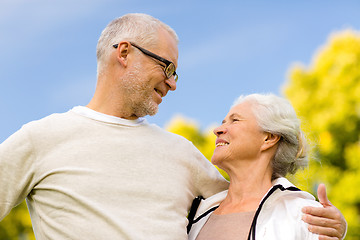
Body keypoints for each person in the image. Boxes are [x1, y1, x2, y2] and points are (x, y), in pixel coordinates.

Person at [0, 14, 346, 239]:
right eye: (167, 68)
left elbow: (255, 202)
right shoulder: (40, 139)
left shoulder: (181, 152)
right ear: (124, 53)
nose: (173, 84)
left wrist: (332, 226)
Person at [187, 93, 347, 240]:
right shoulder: (196, 212)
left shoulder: (306, 216)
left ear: (269, 138)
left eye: (234, 120)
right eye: (223, 122)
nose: (217, 130)